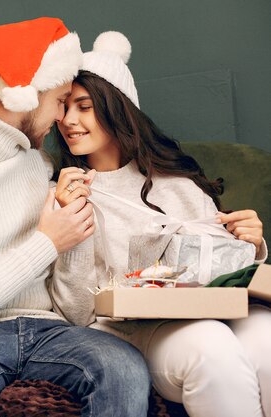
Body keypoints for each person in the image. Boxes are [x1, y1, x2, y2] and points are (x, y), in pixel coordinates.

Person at [0, 17, 151, 417]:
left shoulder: (42, 163)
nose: (61, 117)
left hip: (49, 331)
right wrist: (48, 242)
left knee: (123, 367)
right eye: (59, 100)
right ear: (26, 96)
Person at [52, 31, 270, 417]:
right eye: (64, 107)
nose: (69, 121)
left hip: (213, 310)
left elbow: (222, 271)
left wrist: (250, 244)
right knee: (211, 348)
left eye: (84, 107)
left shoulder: (177, 184)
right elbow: (76, 312)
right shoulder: (64, 192)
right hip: (130, 333)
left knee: (267, 340)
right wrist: (73, 221)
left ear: (117, 109)